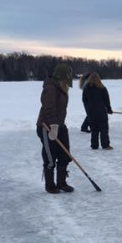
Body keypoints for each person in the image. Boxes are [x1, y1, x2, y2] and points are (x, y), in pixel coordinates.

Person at [36, 64, 74, 193]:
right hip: (46, 126)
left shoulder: (61, 88)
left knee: (64, 155)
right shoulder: (51, 88)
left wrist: (59, 126)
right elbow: (49, 108)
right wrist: (53, 126)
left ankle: (62, 182)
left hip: (60, 125)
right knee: (50, 157)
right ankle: (50, 185)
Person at [82, 72, 113, 150]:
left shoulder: (86, 89)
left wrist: (88, 110)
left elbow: (84, 100)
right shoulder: (102, 88)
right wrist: (109, 109)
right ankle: (105, 145)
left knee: (94, 130)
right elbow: (106, 100)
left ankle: (94, 145)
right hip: (101, 112)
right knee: (104, 129)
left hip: (91, 113)